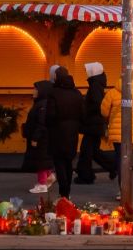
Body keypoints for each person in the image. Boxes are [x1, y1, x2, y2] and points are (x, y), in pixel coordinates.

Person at [101, 74, 133, 201]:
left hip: (117, 132)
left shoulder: (112, 93)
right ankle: (127, 189)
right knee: (127, 160)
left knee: (120, 160)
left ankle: (123, 190)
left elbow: (104, 111)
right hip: (132, 132)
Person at [75, 63, 116, 184]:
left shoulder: (94, 86)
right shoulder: (97, 85)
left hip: (92, 124)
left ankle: (86, 175)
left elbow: (98, 105)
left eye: (88, 70)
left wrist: (85, 109)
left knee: (87, 150)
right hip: (95, 124)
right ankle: (111, 167)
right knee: (92, 151)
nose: (86, 72)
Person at [47, 67, 84, 200]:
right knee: (68, 162)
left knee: (59, 163)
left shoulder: (54, 93)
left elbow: (50, 115)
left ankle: (63, 193)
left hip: (57, 132)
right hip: (72, 132)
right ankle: (67, 191)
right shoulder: (77, 93)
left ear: (56, 77)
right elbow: (82, 113)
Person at [22, 80, 55, 193]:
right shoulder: (40, 103)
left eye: (36, 89)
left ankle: (42, 184)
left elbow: (41, 123)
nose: (34, 91)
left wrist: (35, 137)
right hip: (43, 137)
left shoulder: (42, 105)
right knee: (43, 159)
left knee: (41, 161)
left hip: (41, 138)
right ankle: (49, 176)